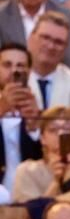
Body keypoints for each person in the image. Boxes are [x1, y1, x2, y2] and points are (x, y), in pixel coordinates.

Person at [0, 44, 42, 192]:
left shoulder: (37, 105)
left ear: (29, 72)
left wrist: (34, 128)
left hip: (28, 192)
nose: (14, 71)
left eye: (20, 66)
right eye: (7, 65)